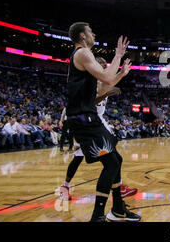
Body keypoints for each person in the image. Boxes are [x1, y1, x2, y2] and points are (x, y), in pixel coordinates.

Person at [64, 22, 140, 222]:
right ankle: (98, 215)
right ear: (82, 36)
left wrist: (121, 74)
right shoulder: (82, 53)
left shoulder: (82, 56)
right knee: (112, 162)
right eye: (90, 31)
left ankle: (118, 210)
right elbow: (106, 77)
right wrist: (117, 56)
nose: (94, 33)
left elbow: (100, 90)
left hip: (87, 116)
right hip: (83, 118)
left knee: (116, 160)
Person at [59, 56, 138, 203]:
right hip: (85, 122)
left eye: (103, 67)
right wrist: (108, 92)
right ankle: (65, 187)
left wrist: (120, 75)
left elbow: (108, 86)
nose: (101, 69)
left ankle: (117, 187)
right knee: (81, 158)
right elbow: (88, 102)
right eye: (99, 66)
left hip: (96, 121)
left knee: (112, 155)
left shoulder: (101, 81)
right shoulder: (88, 81)